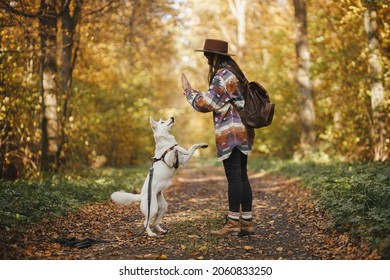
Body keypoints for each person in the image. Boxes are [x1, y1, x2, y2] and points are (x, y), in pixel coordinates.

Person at [181, 39, 255, 236]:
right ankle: (246, 222)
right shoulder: (235, 74)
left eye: (207, 55)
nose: (206, 59)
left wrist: (188, 92)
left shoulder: (222, 75)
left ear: (215, 56)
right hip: (244, 130)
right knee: (241, 175)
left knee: (234, 177)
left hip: (231, 131)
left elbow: (206, 103)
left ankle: (232, 223)